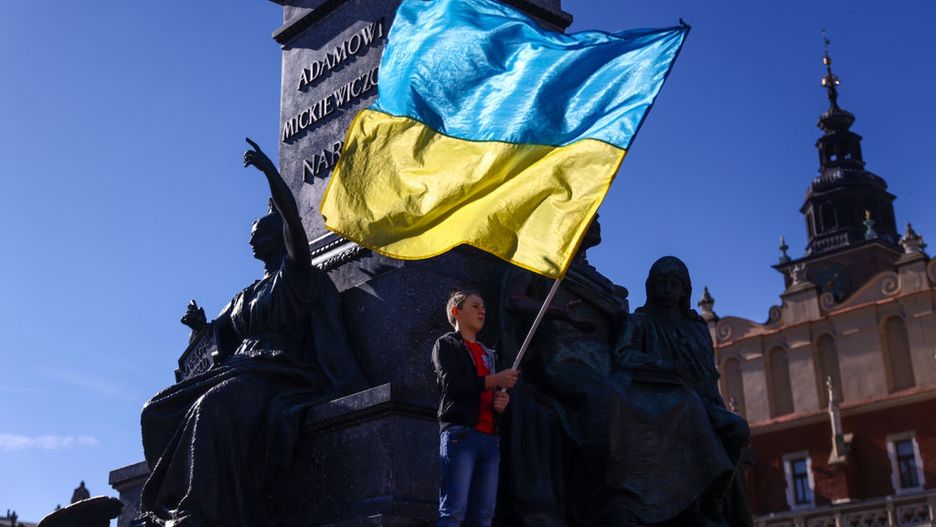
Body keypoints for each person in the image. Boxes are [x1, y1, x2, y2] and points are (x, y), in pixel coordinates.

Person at [134, 138, 368, 526]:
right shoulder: (245, 295)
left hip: (279, 371)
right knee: (155, 411)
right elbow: (214, 341)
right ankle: (163, 508)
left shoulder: (294, 277)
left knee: (210, 409)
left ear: (278, 238)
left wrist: (271, 174)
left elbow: (293, 220)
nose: (250, 238)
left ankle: (199, 511)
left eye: (258, 231)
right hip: (238, 370)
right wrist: (198, 329)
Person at [608, 256, 751, 526]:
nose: (667, 291)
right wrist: (661, 366)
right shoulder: (640, 321)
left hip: (703, 401)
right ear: (651, 287)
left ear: (685, 289)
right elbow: (623, 355)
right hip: (660, 403)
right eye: (661, 284)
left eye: (673, 284)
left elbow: (709, 377)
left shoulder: (697, 329)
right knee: (701, 419)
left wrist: (716, 404)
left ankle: (714, 498)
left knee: (736, 429)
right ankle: (701, 504)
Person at [431, 289, 520, 527]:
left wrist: (501, 403)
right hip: (461, 434)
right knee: (453, 511)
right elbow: (453, 387)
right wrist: (495, 380)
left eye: (483, 307)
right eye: (474, 306)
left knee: (483, 517)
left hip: (490, 438)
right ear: (456, 312)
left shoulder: (489, 354)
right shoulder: (447, 344)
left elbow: (489, 393)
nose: (482, 310)